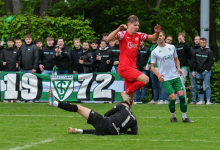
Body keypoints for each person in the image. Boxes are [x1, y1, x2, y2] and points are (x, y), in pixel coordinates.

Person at [107, 15, 161, 106]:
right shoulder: (122, 34)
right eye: (135, 25)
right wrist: (118, 29)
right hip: (124, 67)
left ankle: (125, 115)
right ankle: (125, 92)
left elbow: (154, 38)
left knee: (131, 98)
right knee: (146, 79)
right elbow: (109, 38)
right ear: (128, 25)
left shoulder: (139, 35)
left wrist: (157, 33)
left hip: (132, 68)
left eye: (138, 25)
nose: (137, 27)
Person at [151, 31, 193, 123]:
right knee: (172, 98)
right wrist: (158, 75)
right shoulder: (155, 51)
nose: (159, 37)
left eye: (161, 36)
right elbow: (152, 66)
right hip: (165, 79)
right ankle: (173, 116)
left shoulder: (172, 47)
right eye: (158, 36)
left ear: (164, 37)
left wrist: (178, 68)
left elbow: (176, 59)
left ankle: (184, 117)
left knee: (182, 97)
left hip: (175, 76)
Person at [48, 99, 137, 135]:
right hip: (107, 132)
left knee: (79, 107)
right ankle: (78, 131)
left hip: (104, 124)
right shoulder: (134, 119)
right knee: (100, 129)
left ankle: (55, 103)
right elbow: (134, 133)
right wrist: (123, 131)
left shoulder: (121, 106)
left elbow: (106, 114)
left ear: (123, 104)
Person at [192, 37, 214, 105]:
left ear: (206, 43)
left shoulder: (209, 51)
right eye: (201, 42)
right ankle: (201, 100)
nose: (202, 44)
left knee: (207, 86)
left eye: (203, 42)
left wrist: (207, 69)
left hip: (206, 72)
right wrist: (193, 70)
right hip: (198, 72)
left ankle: (208, 100)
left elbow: (211, 61)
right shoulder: (197, 51)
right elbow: (195, 61)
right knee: (199, 86)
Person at [175, 32, 190, 104]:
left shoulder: (186, 45)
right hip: (176, 68)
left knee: (181, 84)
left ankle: (184, 99)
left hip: (183, 67)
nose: (180, 38)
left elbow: (189, 51)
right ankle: (178, 99)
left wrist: (184, 42)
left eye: (182, 36)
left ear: (184, 38)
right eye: (179, 36)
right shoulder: (176, 46)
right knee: (176, 84)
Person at [188, 36, 200, 104]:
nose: (197, 41)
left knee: (199, 86)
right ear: (194, 40)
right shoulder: (191, 49)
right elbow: (189, 59)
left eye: (198, 39)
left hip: (200, 71)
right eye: (196, 39)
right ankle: (193, 100)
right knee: (193, 86)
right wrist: (192, 69)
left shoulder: (202, 49)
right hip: (191, 70)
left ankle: (200, 100)